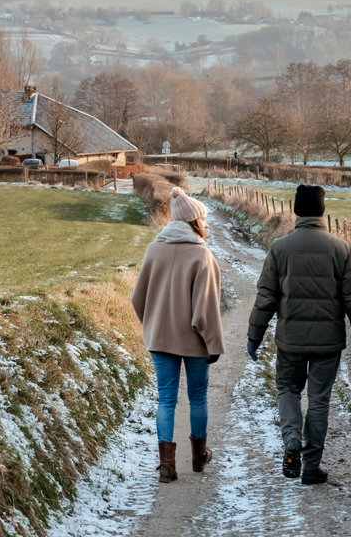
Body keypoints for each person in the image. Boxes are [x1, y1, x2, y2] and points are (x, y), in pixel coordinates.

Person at [247, 184, 351, 485]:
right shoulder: (341, 249)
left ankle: (291, 441)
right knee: (319, 399)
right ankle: (311, 466)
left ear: (296, 210)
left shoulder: (279, 248)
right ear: (322, 211)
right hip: (328, 342)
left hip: (290, 339)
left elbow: (266, 298)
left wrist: (254, 336)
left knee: (288, 389)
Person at [131, 187, 225, 483]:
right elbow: (206, 309)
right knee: (197, 398)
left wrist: (153, 325)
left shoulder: (153, 249)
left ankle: (167, 467)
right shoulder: (202, 256)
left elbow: (138, 298)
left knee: (166, 399)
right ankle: (198, 457)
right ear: (195, 222)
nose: (206, 224)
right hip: (195, 341)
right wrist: (214, 344)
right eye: (203, 219)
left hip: (159, 339)